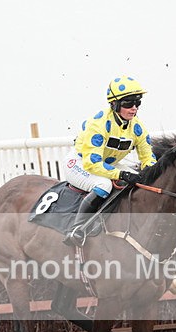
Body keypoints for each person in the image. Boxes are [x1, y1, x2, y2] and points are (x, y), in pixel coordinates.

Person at [62, 76, 157, 246]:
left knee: (139, 179)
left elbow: (148, 158)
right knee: (104, 185)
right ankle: (77, 229)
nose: (134, 108)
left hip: (106, 164)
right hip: (80, 163)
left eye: (138, 102)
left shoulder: (138, 127)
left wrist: (151, 174)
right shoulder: (98, 124)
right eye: (128, 103)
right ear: (115, 104)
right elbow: (92, 163)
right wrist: (121, 173)